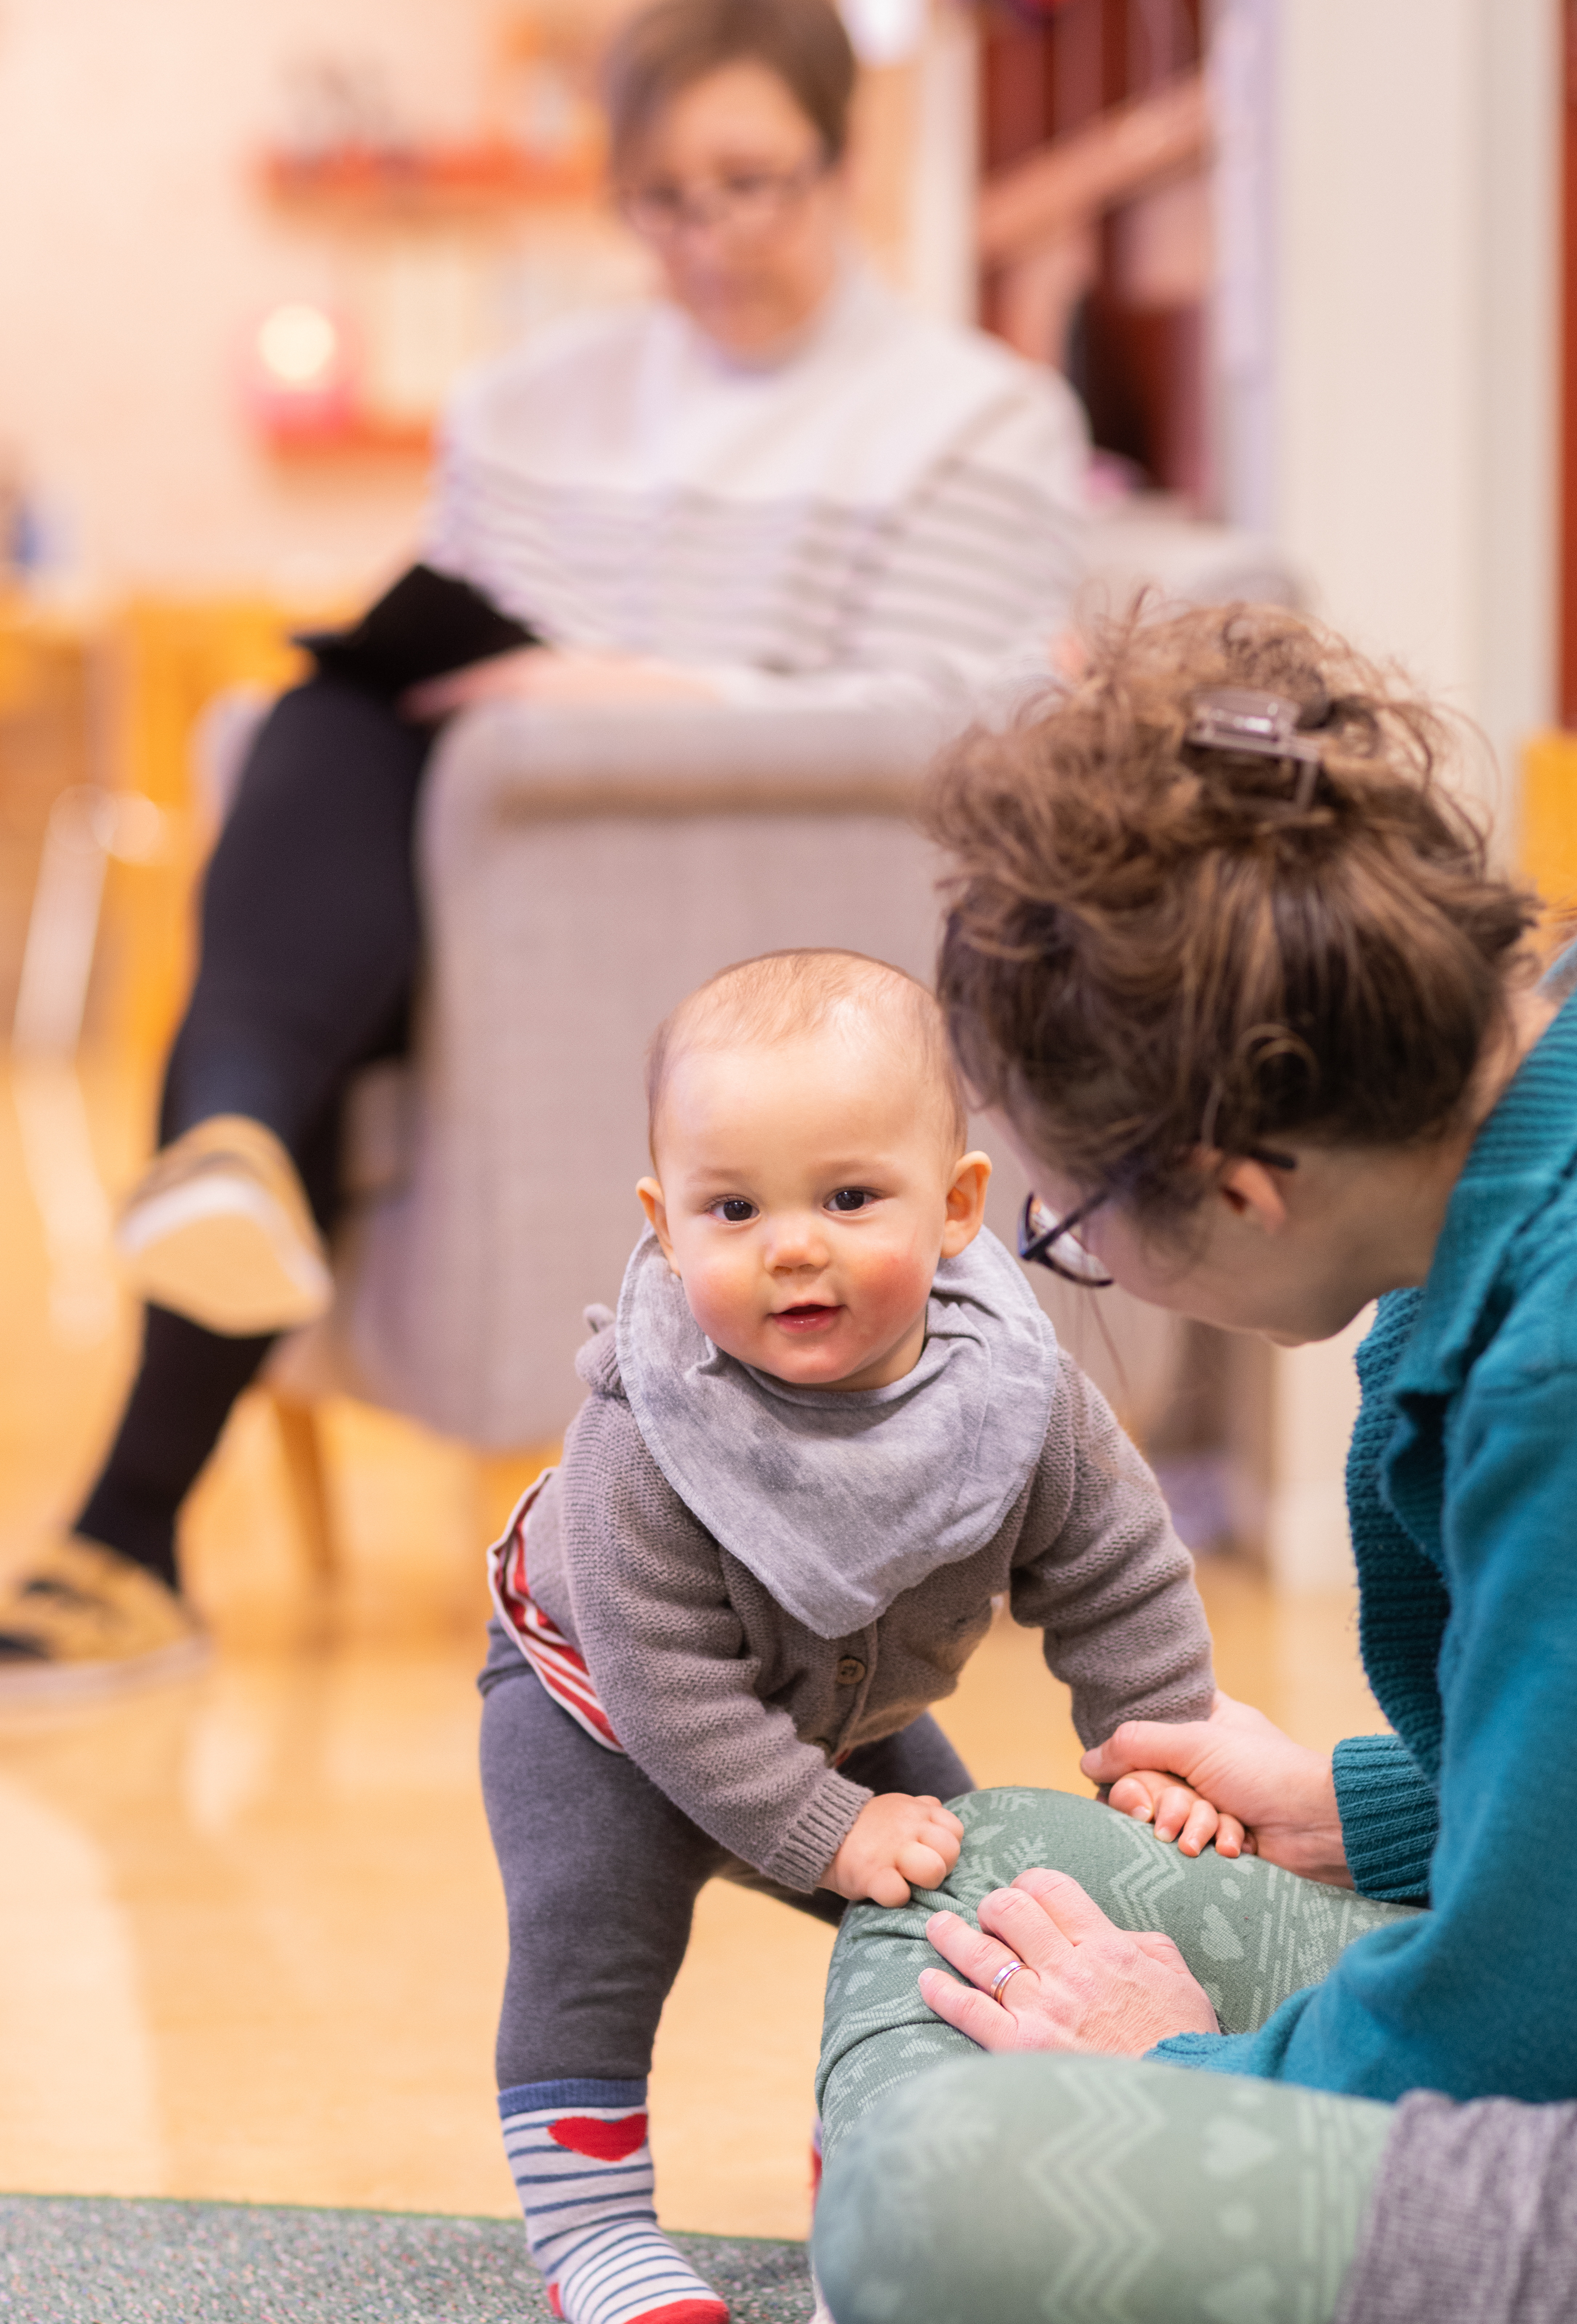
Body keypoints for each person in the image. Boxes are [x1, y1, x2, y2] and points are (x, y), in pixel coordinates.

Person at [511, 600, 1577, 2324]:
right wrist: (1350, 1811)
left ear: (1234, 1181)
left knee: (948, 2209)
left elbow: (1529, 2013)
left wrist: (1193, 2080)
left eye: (1060, 1224)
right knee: (991, 1869)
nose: (1066, 1266)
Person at [1, 0, 1086, 1701]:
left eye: (752, 185)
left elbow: (961, 707)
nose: (708, 237)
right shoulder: (531, 399)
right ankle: (228, 1169)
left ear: (843, 163)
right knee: (328, 719)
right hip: (464, 875)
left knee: (341, 798)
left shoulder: (972, 416)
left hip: (688, 876)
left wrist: (620, 692)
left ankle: (140, 1505)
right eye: (662, 198)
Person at [480, 947, 1236, 2324]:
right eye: (731, 1207)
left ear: (955, 1210)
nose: (790, 1244)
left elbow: (1116, 1569)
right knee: (592, 1940)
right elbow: (669, 1688)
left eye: (846, 1197)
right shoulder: (648, 1435)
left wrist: (1160, 1742)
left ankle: (877, 2155)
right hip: (597, 1714)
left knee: (963, 1908)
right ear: (664, 1223)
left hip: (848, 1693)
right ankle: (589, 2223)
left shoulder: (1015, 1397)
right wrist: (827, 1826)